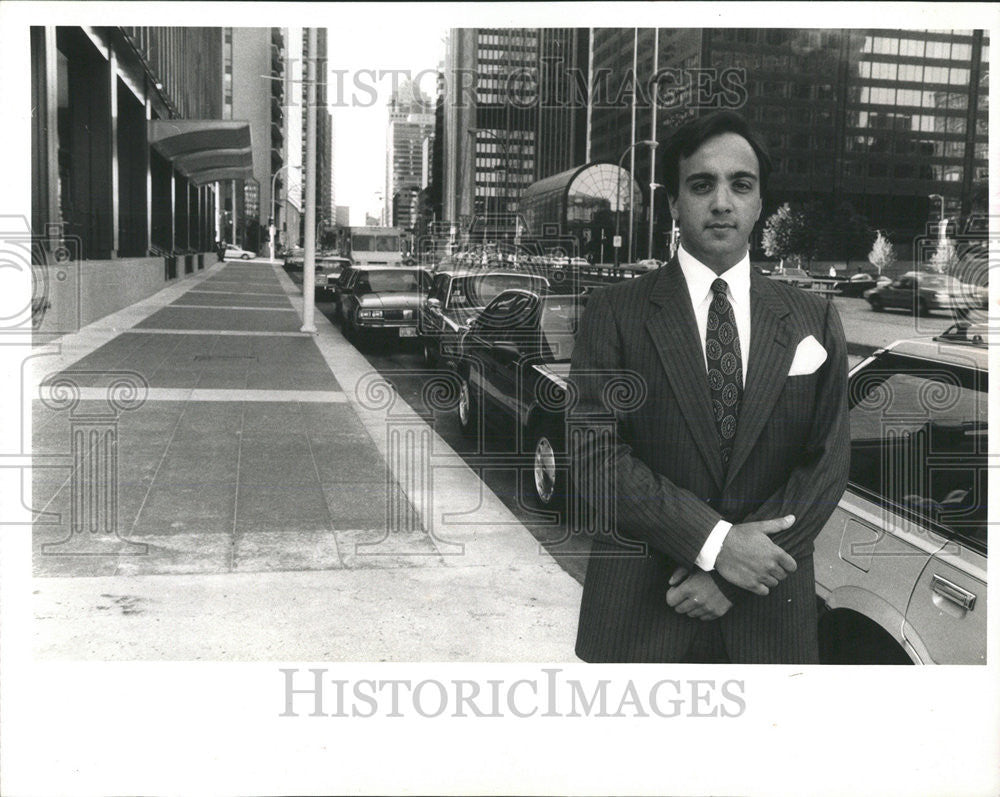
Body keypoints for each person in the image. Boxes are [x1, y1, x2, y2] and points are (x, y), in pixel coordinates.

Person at [569, 111, 850, 664]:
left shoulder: (812, 317)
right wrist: (718, 545)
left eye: (740, 185)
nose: (722, 202)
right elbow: (594, 458)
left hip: (770, 619)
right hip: (642, 616)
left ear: (760, 202)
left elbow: (827, 464)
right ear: (674, 203)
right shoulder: (615, 313)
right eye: (702, 185)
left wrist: (738, 574)